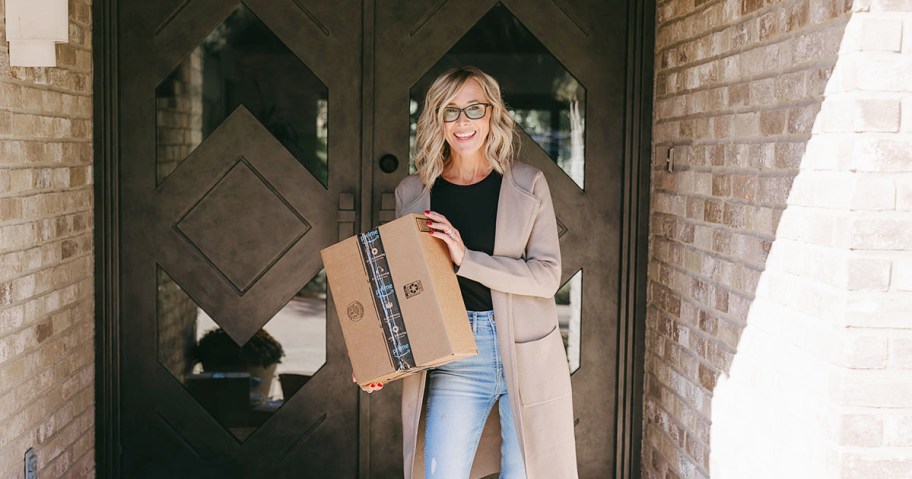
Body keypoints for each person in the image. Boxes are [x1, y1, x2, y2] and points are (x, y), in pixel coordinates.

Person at [358, 66, 578, 479]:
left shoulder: (527, 184)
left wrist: (466, 258)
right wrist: (379, 357)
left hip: (525, 349)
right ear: (436, 119)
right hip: (456, 354)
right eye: (450, 110)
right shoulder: (414, 192)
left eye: (474, 109)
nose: (463, 122)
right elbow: (399, 288)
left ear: (492, 114)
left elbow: (547, 276)